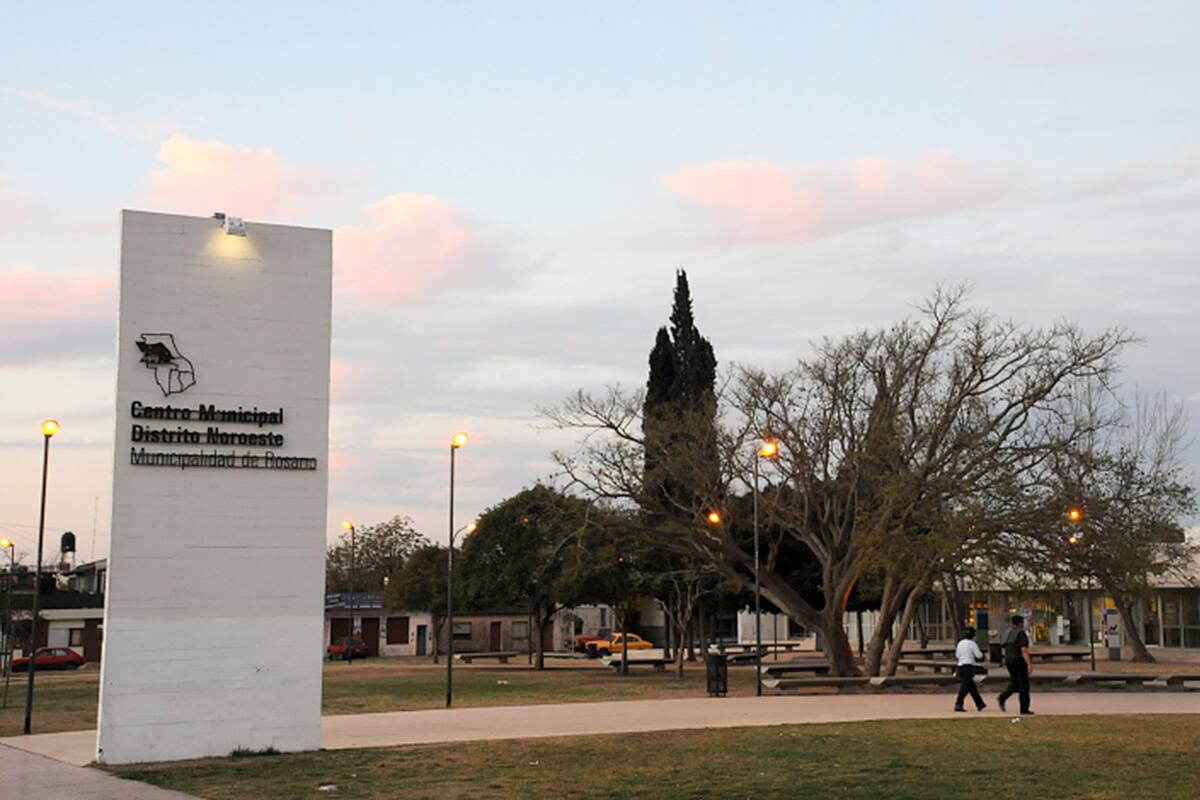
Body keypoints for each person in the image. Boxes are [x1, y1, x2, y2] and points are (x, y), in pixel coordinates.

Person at [997, 615, 1034, 714]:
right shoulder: (1020, 633)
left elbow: (1004, 646)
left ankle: (1003, 697)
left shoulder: (1007, 632)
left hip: (1008, 659)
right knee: (1023, 685)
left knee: (1015, 682)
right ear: (1021, 623)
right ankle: (1024, 709)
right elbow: (1024, 650)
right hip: (1018, 659)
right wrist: (1029, 664)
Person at [953, 626, 987, 712]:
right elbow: (979, 655)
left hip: (960, 666)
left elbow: (957, 655)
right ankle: (958, 704)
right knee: (965, 687)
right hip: (968, 667)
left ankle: (980, 704)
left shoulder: (960, 643)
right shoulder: (972, 644)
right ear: (973, 635)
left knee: (971, 686)